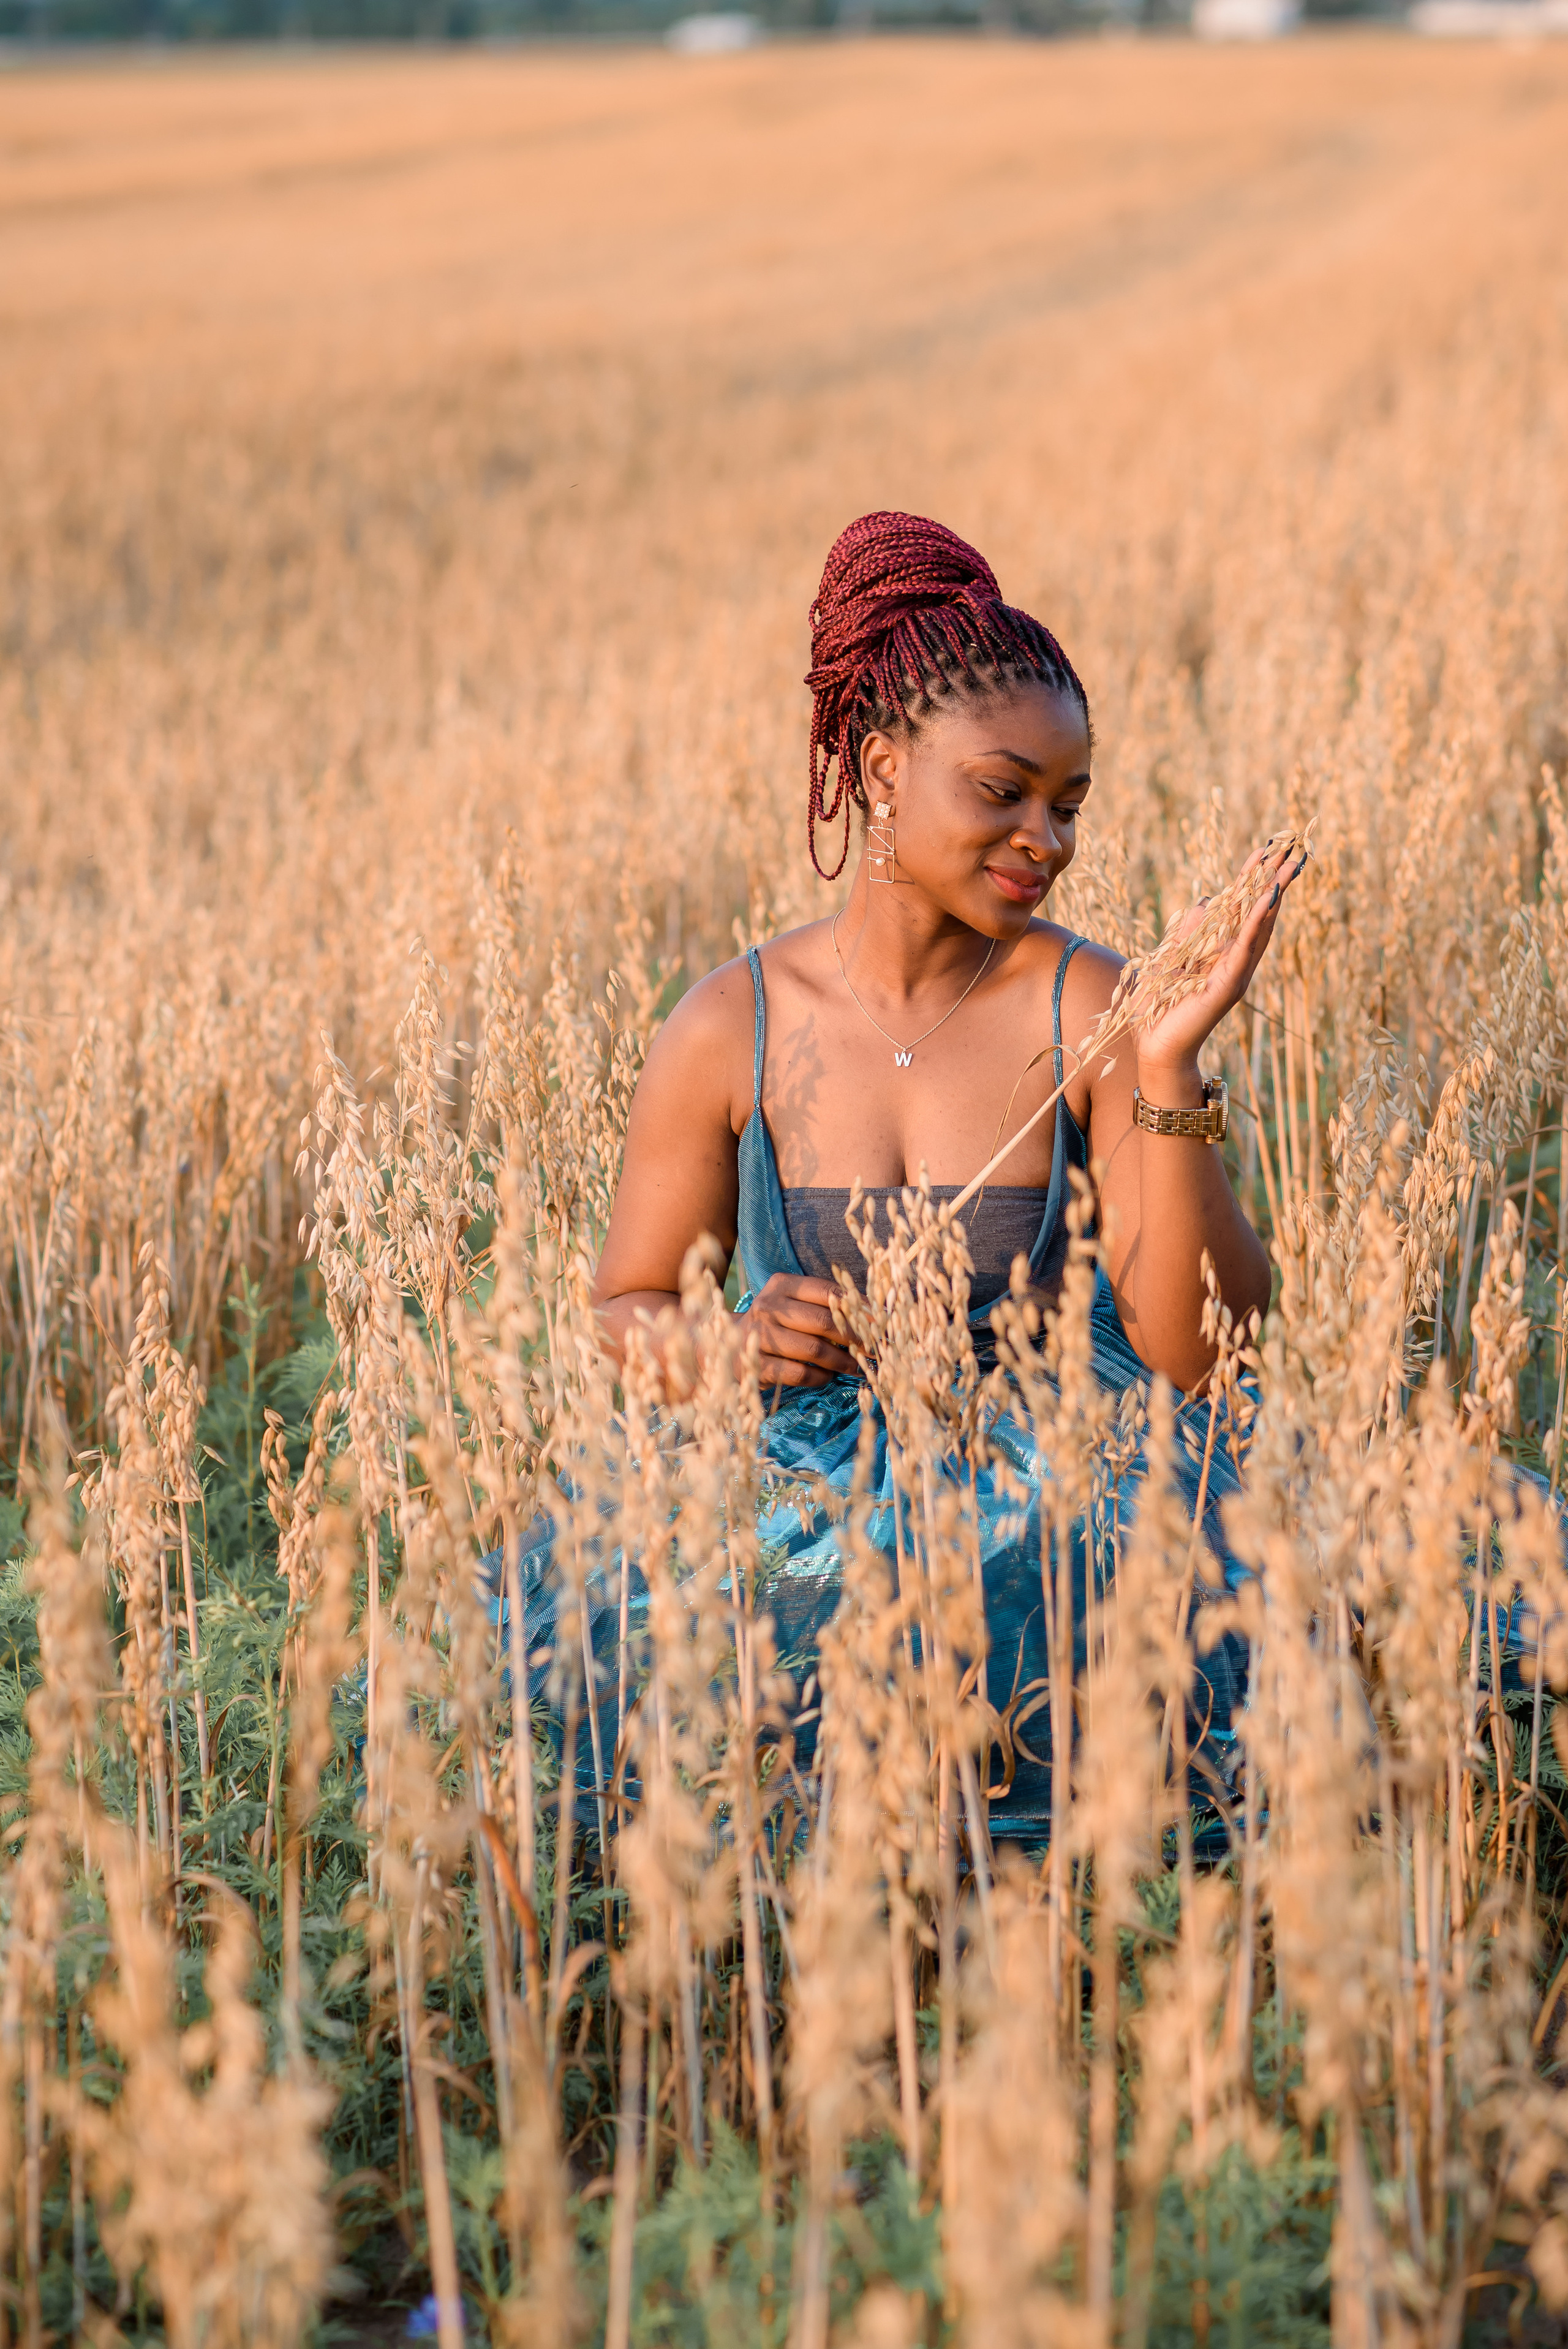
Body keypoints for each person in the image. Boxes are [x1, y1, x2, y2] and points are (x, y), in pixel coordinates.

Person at [515, 512, 1306, 1837]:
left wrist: (1165, 1074)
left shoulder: (1091, 1005)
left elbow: (1196, 1361)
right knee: (604, 1713)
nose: (1042, 839)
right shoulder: (729, 1024)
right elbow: (626, 1302)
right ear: (880, 768)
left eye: (1066, 805)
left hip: (1072, 1473)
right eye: (1000, 793)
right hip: (804, 1490)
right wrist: (726, 1350)